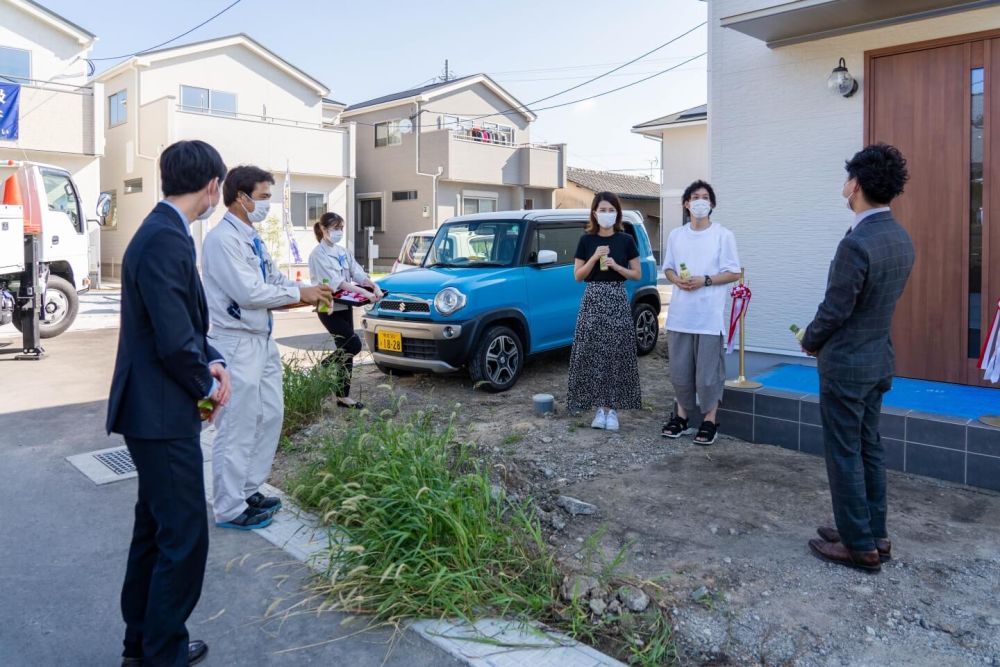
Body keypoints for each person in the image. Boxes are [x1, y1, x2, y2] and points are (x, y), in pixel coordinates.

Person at [107, 140, 231, 667]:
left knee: (156, 532)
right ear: (211, 186)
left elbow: (182, 324)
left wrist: (214, 358)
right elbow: (174, 341)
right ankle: (162, 653)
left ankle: (145, 645)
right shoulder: (165, 239)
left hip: (152, 409)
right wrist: (208, 387)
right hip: (159, 413)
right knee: (183, 537)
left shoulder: (162, 232)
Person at [201, 165, 332, 530]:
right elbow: (249, 292)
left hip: (261, 339)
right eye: (262, 197)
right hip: (235, 342)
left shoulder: (252, 237)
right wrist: (298, 293)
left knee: (270, 415)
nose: (267, 205)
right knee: (237, 425)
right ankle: (229, 507)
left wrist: (309, 292)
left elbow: (271, 279)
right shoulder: (221, 240)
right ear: (241, 198)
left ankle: (247, 488)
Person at [803, 144, 914, 573]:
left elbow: (836, 308)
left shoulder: (858, 243)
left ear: (857, 185)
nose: (844, 183)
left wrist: (811, 339)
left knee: (845, 451)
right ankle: (873, 533)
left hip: (847, 365)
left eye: (848, 176)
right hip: (878, 360)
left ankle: (858, 545)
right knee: (869, 447)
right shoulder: (899, 237)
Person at [660, 180, 741, 445]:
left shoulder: (723, 235)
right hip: (681, 316)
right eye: (695, 197)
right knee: (680, 372)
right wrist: (676, 280)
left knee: (708, 375)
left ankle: (709, 420)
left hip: (708, 317)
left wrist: (705, 280)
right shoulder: (676, 235)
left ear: (712, 204)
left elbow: (733, 272)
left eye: (705, 197)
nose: (700, 201)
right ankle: (682, 417)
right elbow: (668, 268)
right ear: (686, 203)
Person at [567, 191, 643, 431]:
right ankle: (599, 409)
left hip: (616, 296)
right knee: (593, 352)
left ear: (617, 214)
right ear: (594, 212)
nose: (607, 214)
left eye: (611, 210)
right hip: (593, 298)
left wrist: (616, 266)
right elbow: (578, 276)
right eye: (603, 210)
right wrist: (594, 258)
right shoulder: (585, 240)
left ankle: (613, 410)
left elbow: (636, 274)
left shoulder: (626, 240)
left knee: (615, 352)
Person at [307, 212, 383, 408]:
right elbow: (337, 282)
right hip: (327, 305)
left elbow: (357, 273)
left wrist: (373, 286)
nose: (339, 232)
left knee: (346, 350)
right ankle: (324, 365)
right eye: (335, 229)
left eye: (341, 228)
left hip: (345, 305)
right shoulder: (318, 254)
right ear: (323, 230)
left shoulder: (343, 251)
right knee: (353, 344)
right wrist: (365, 294)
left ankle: (343, 396)